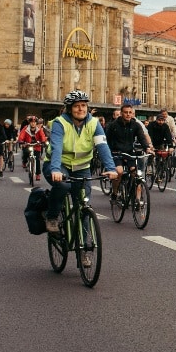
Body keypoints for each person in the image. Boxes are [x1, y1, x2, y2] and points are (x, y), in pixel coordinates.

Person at [44, 91, 118, 266]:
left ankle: (85, 250)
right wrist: (55, 169)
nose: (80, 109)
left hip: (82, 168)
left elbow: (103, 146)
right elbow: (56, 148)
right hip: (59, 165)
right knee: (62, 185)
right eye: (76, 106)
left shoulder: (94, 123)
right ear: (69, 109)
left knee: (84, 207)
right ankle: (52, 217)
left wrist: (111, 168)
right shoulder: (59, 123)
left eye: (83, 105)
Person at [106, 103, 153, 198]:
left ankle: (137, 199)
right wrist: (109, 152)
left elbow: (141, 138)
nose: (128, 114)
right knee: (119, 172)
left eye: (130, 112)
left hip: (130, 153)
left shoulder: (135, 125)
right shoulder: (113, 125)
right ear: (121, 113)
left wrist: (147, 148)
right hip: (116, 153)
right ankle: (114, 192)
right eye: (125, 112)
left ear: (132, 114)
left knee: (135, 173)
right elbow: (107, 140)